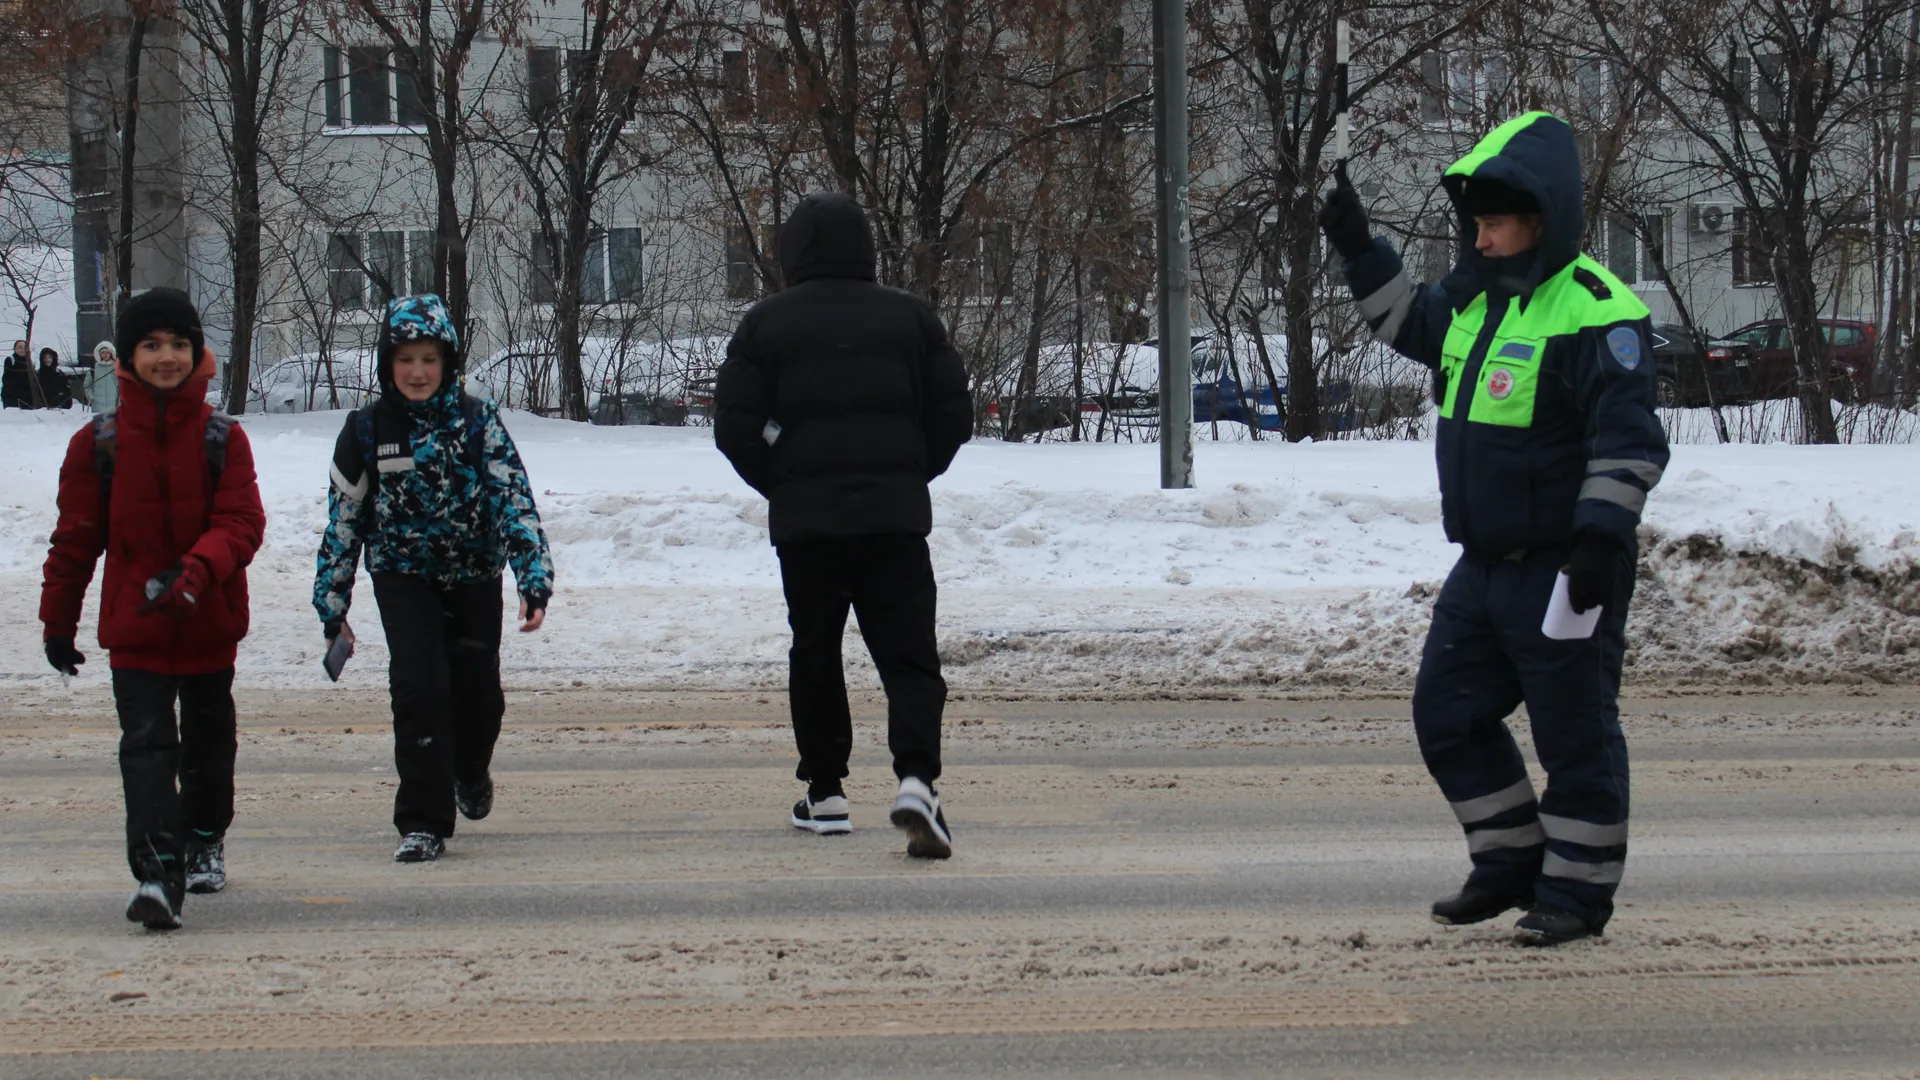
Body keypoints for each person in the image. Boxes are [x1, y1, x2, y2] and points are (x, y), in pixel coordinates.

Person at [1319, 112, 1669, 945]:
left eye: (1495, 222)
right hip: (1483, 566)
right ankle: (1511, 859)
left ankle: (1576, 896)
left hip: (1564, 567)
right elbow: (1406, 322)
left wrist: (1597, 543)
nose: (1479, 237)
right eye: (1473, 223)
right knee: (1447, 714)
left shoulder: (1597, 311)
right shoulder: (1473, 299)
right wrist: (1358, 244)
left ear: (1540, 219)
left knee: (1574, 736)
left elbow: (1628, 443)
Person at [714, 191, 973, 859]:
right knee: (909, 657)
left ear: (793, 251)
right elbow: (952, 415)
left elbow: (736, 427)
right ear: (866, 248)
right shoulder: (912, 318)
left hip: (808, 527)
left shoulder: (766, 324)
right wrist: (910, 469)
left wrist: (783, 472)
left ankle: (825, 790)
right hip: (893, 518)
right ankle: (917, 779)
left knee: (816, 650)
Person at [39, 287, 267, 930]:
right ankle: (156, 875)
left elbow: (242, 521)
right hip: (135, 630)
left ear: (197, 353)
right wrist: (58, 619)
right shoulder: (99, 444)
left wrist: (197, 573)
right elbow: (76, 537)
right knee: (144, 750)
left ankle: (203, 836)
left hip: (208, 622)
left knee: (208, 746)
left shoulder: (223, 437)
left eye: (178, 344)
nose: (166, 356)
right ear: (127, 358)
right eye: (151, 345)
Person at [313, 294, 554, 864]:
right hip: (403, 579)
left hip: (473, 576)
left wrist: (532, 578)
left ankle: (470, 772)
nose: (417, 372)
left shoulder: (478, 421)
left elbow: (513, 500)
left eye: (428, 359)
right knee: (419, 690)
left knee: (478, 697)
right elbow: (344, 520)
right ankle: (422, 819)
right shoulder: (366, 430)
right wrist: (332, 599)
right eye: (404, 359)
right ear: (385, 364)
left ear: (447, 362)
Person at [3, 340, 34, 408]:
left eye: (24, 347)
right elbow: (6, 378)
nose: (22, 350)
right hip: (12, 396)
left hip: (26, 397)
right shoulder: (10, 360)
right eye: (20, 347)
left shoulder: (29, 362)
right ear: (14, 348)